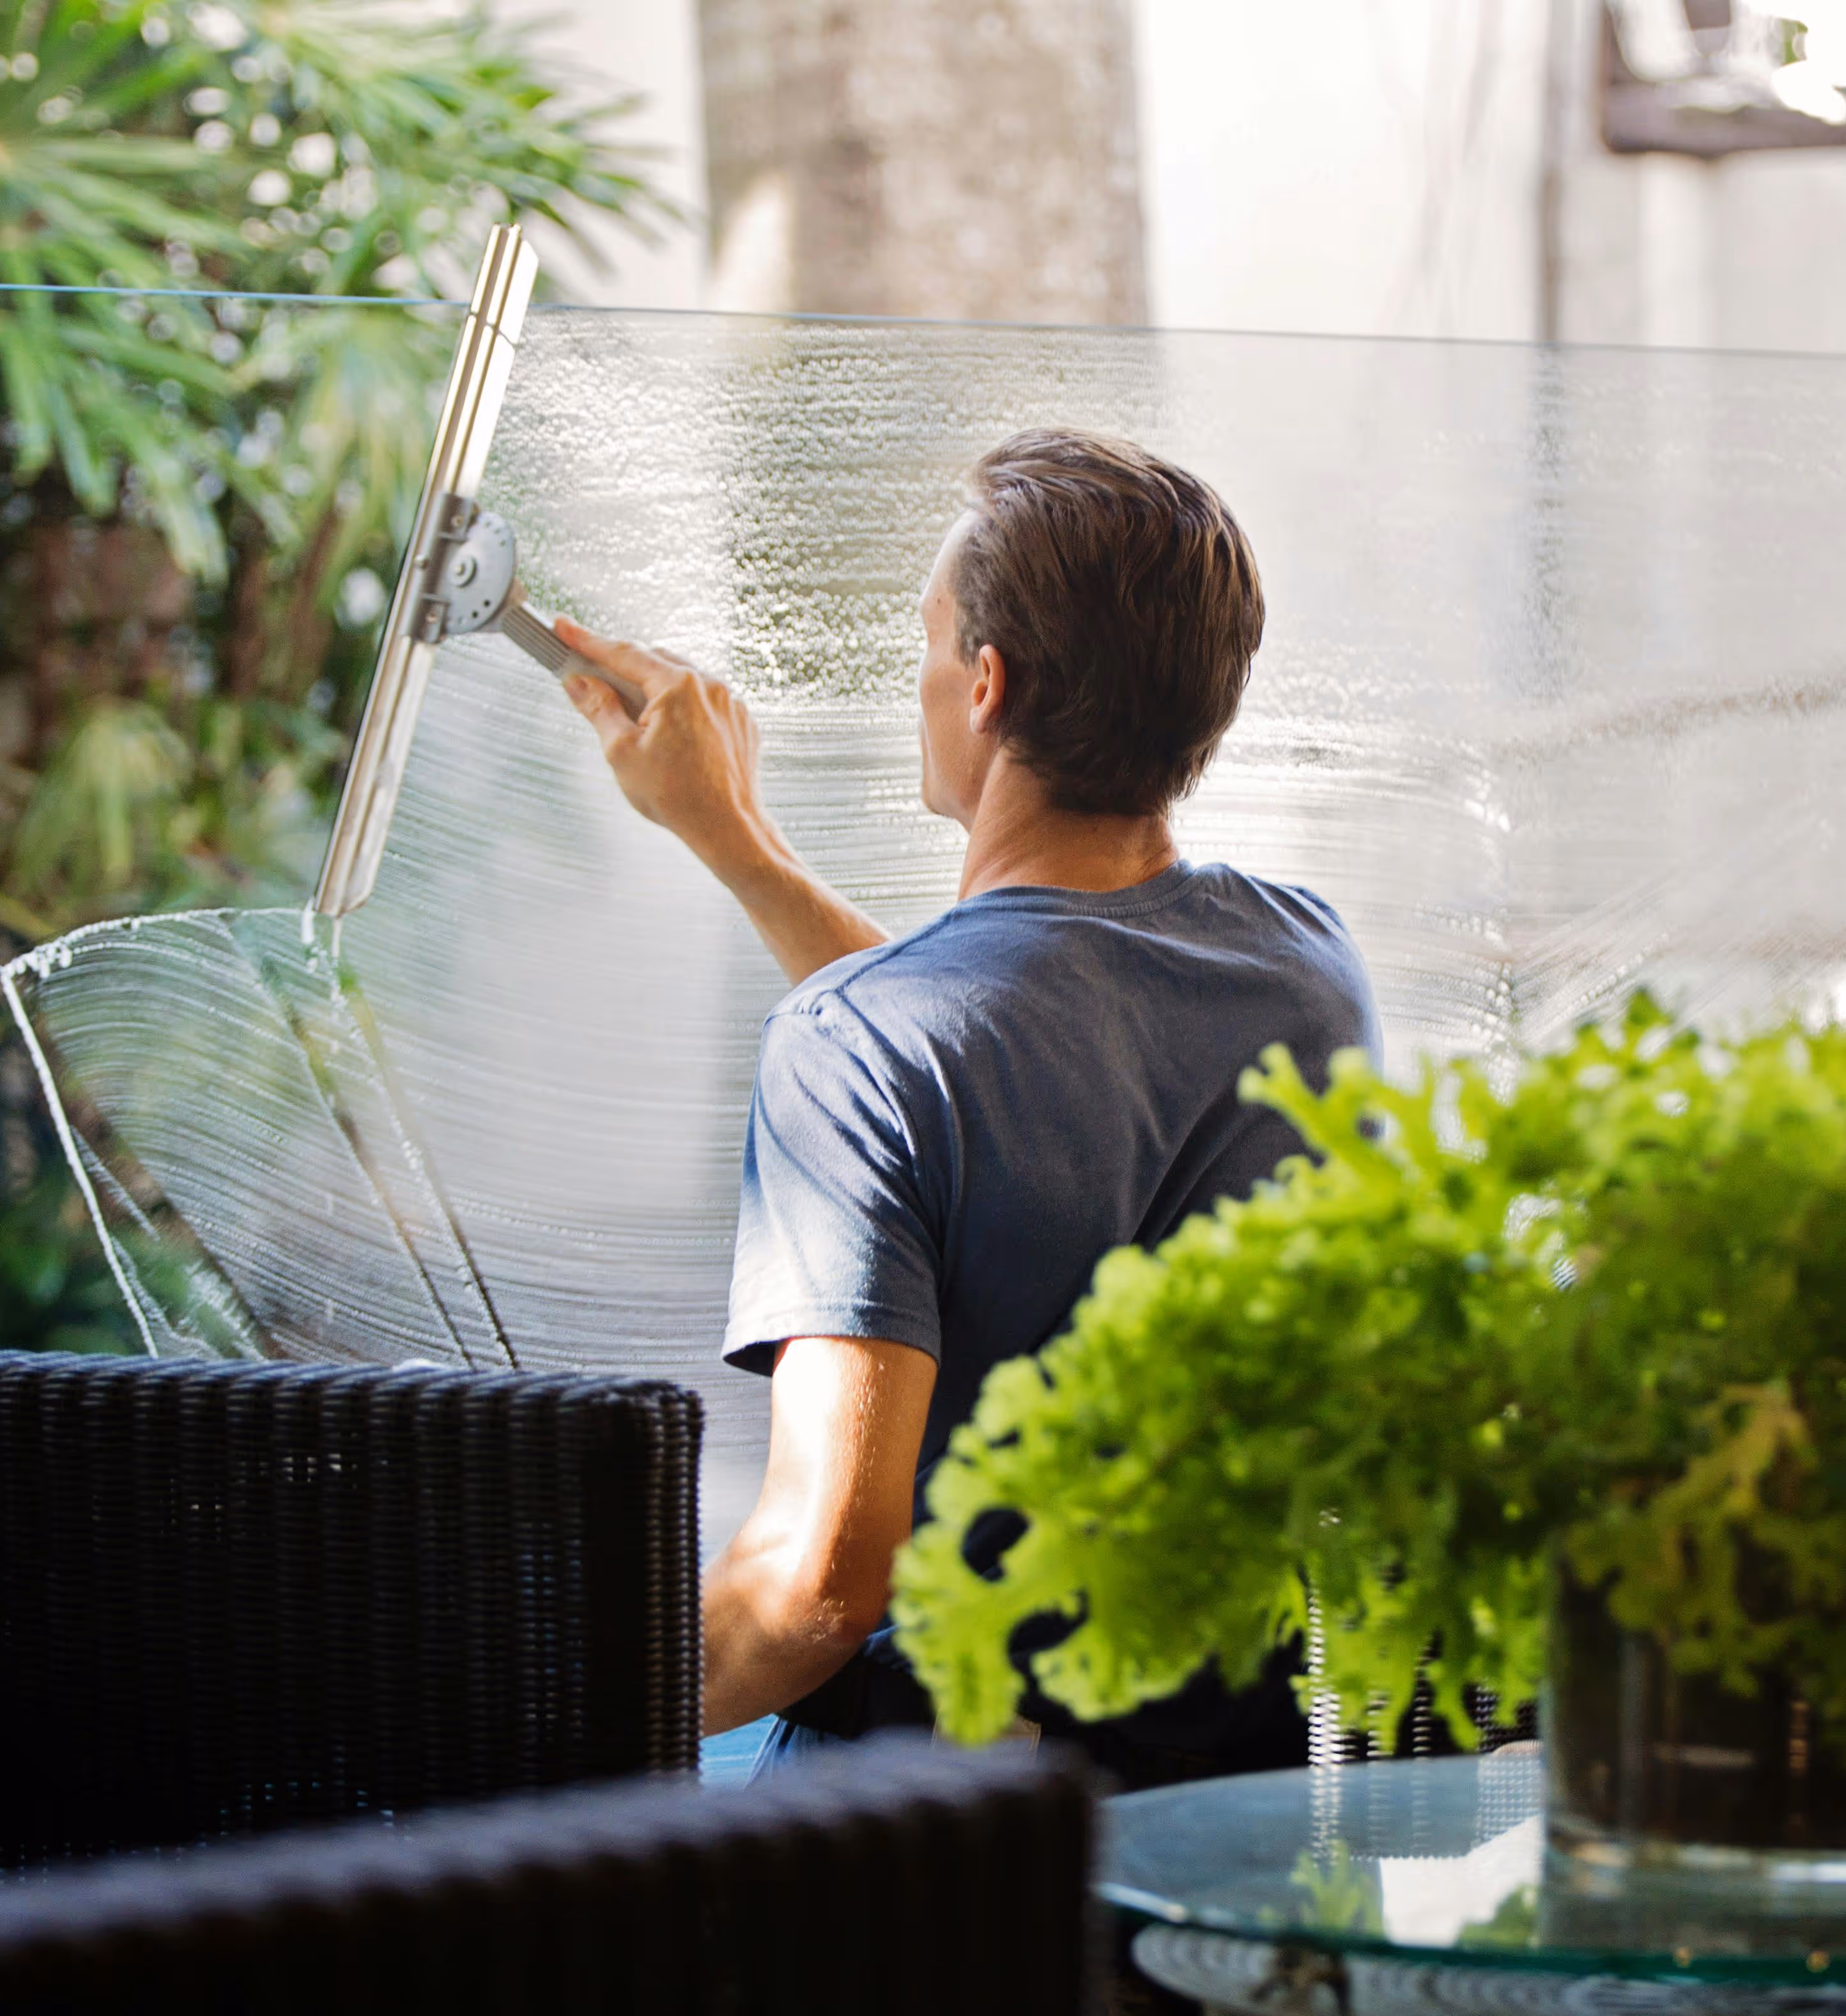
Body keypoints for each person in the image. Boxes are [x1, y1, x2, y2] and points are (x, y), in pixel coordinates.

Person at [555, 428, 1378, 1786]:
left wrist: (518, 1702)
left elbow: (816, 1590)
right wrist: (738, 844)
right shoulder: (1308, 969)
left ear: (985, 687)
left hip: (946, 1839)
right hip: (1228, 1804)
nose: (924, 676)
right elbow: (1018, 1045)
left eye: (930, 643)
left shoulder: (865, 1046)